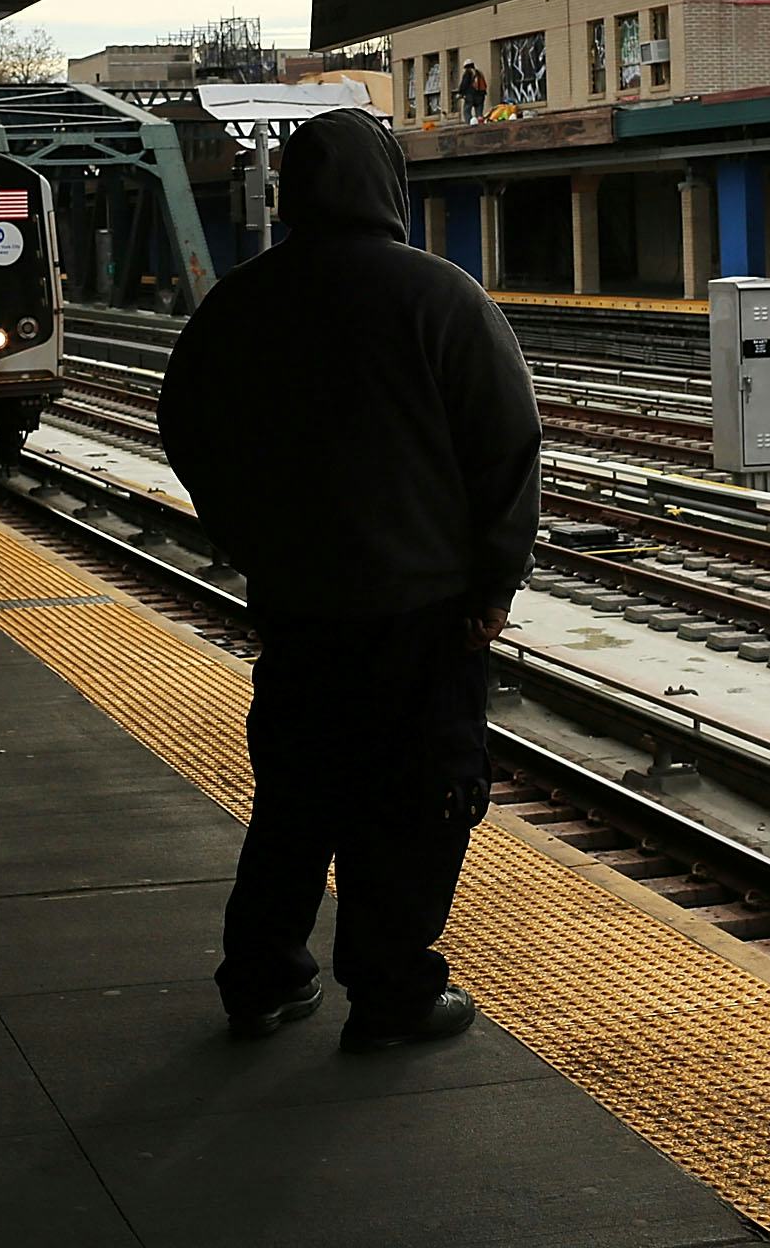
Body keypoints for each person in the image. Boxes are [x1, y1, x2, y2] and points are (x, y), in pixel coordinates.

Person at [159, 107, 540, 1052]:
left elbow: (186, 429)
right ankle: (391, 990)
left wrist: (250, 537)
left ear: (292, 191)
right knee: (414, 801)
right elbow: (507, 450)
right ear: (390, 189)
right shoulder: (442, 298)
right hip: (421, 613)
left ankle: (261, 979)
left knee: (295, 794)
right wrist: (494, 585)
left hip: (297, 605)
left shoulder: (240, 303)